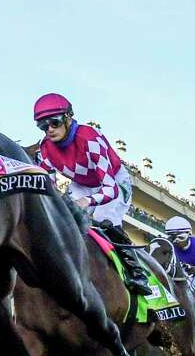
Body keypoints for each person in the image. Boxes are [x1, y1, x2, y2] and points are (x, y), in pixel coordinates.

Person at [32, 93, 152, 296]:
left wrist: (87, 201)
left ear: (69, 117)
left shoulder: (90, 139)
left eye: (54, 122)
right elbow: (49, 190)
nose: (49, 130)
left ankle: (136, 272)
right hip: (81, 184)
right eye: (43, 126)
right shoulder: (45, 150)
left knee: (103, 219)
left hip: (113, 181)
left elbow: (110, 189)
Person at [165, 216, 195, 304]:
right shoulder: (172, 248)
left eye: (180, 237)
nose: (177, 241)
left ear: (189, 234)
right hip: (189, 275)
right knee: (181, 295)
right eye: (173, 238)